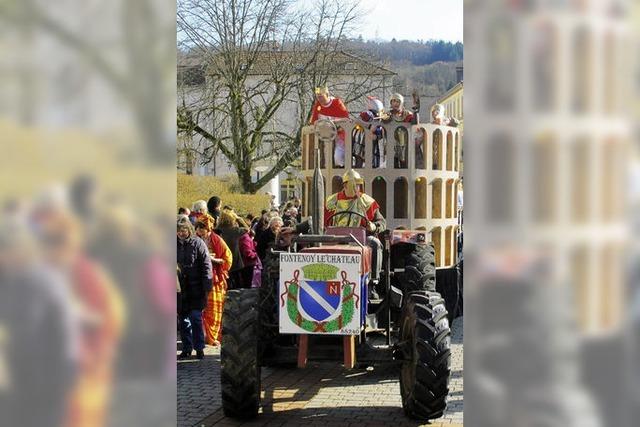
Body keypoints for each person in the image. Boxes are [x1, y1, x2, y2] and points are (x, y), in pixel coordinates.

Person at [324, 169, 386, 290]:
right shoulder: (332, 201)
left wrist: (373, 226)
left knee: (375, 243)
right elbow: (322, 222)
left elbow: (382, 222)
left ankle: (372, 282)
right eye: (354, 184)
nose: (357, 187)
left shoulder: (367, 202)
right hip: (335, 238)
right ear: (345, 184)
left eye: (358, 184)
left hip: (361, 239)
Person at [177, 216, 212, 360]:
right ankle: (187, 348)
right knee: (183, 320)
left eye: (184, 230)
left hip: (196, 287)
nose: (181, 233)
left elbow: (206, 265)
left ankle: (199, 347)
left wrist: (207, 286)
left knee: (196, 318)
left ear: (189, 230)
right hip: (179, 288)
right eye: (178, 230)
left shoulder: (198, 244)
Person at [194, 218, 231, 346]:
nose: (199, 231)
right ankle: (202, 335)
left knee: (213, 308)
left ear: (208, 228)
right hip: (198, 277)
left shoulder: (217, 240)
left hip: (214, 278)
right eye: (198, 228)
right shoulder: (195, 239)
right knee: (200, 308)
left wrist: (215, 260)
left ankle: (213, 336)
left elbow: (227, 258)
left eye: (202, 228)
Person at [310, 85, 350, 168]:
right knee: (326, 157)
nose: (319, 99)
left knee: (338, 157)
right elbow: (314, 122)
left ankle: (340, 170)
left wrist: (333, 121)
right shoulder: (318, 106)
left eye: (321, 96)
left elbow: (346, 119)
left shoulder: (337, 102)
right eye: (318, 97)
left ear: (327, 95)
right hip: (326, 137)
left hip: (339, 135)